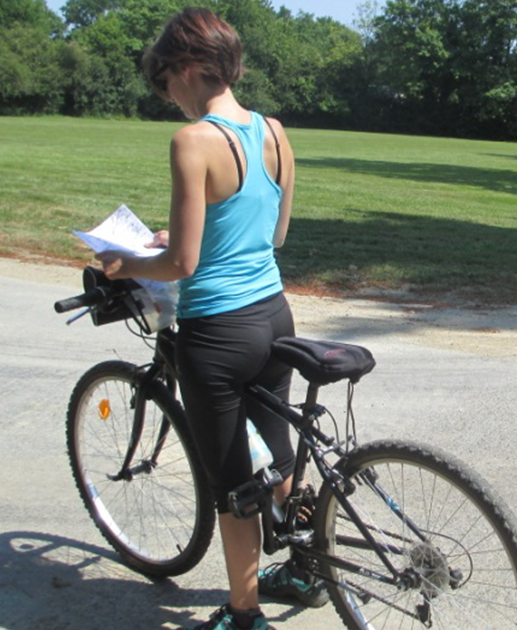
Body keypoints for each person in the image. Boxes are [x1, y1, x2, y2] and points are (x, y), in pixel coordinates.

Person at [96, 8, 323, 630]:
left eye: (166, 80)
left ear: (191, 69)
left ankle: (243, 611)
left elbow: (182, 263)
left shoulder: (193, 141)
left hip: (217, 333)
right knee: (277, 452)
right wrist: (189, 239)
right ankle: (306, 569)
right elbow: (272, 235)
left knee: (233, 485)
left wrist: (124, 262)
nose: (167, 95)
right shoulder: (274, 131)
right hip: (274, 316)